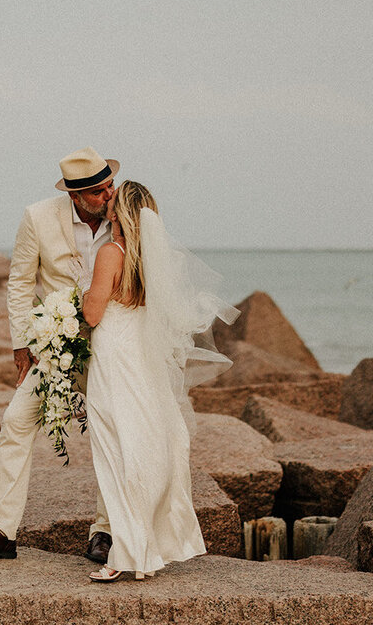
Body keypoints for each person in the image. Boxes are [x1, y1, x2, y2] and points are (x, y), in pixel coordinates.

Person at [0, 147, 119, 563]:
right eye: (99, 192)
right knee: (15, 422)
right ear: (75, 196)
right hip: (56, 345)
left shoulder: (126, 220)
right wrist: (21, 342)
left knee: (110, 431)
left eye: (110, 185)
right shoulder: (38, 217)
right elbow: (20, 282)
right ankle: (2, 532)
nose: (109, 195)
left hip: (113, 347)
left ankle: (106, 532)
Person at [80, 180, 237, 582]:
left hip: (115, 357)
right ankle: (145, 544)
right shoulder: (153, 259)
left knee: (116, 447)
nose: (106, 201)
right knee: (148, 442)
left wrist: (68, 309)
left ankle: (128, 550)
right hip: (143, 360)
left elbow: (93, 314)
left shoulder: (110, 253)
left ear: (119, 212)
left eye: (112, 199)